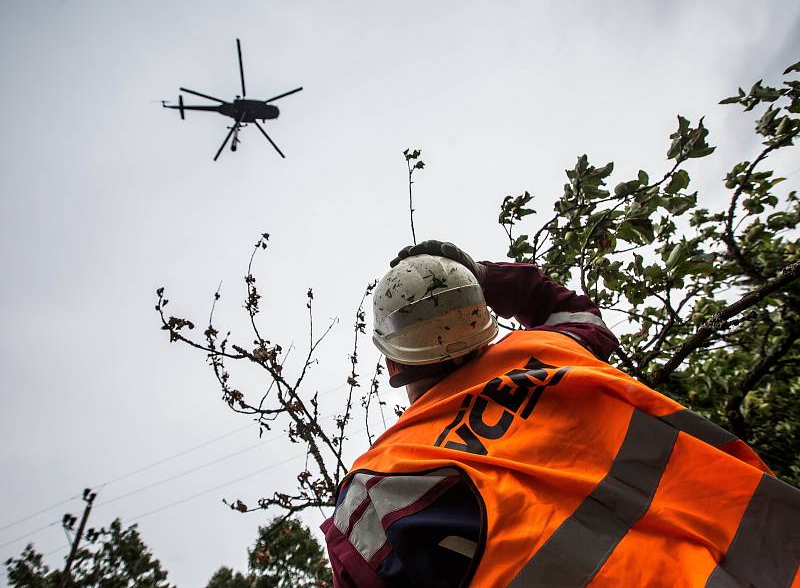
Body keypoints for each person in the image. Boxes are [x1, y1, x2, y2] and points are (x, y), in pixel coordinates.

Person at [321, 240, 800, 587]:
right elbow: (576, 313)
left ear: (393, 362)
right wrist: (482, 275)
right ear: (483, 319)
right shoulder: (552, 350)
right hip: (772, 557)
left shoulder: (377, 484)